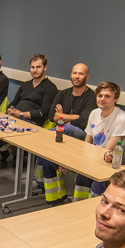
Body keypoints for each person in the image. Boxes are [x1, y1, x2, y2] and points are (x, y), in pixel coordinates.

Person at [35, 63, 98, 205]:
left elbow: (83, 122)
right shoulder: (63, 93)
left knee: (65, 130)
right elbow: (52, 115)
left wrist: (61, 115)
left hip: (81, 137)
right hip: (61, 137)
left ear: (87, 76)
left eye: (80, 74)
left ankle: (44, 142)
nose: (77, 76)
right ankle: (55, 197)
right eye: (74, 73)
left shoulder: (91, 96)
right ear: (70, 75)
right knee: (49, 155)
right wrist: (72, 117)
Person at [72, 82, 125, 200]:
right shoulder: (94, 113)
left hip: (111, 163)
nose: (102, 99)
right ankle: (78, 207)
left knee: (97, 184)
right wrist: (78, 162)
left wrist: (88, 163)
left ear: (116, 99)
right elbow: (87, 142)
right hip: (93, 158)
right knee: (81, 177)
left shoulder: (122, 118)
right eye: (100, 96)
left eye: (107, 96)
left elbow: (106, 151)